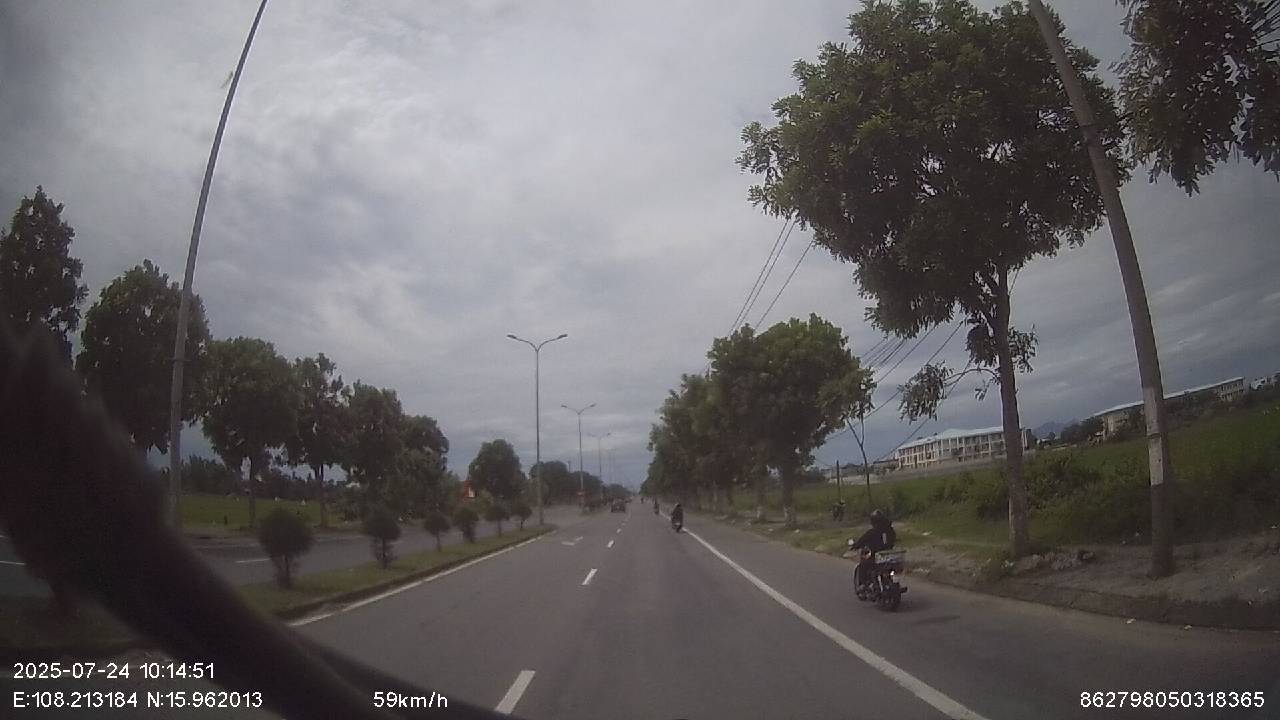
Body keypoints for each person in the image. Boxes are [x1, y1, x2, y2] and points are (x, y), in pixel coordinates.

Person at [850, 509, 896, 592]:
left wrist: (855, 546)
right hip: (888, 557)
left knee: (863, 564)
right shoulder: (890, 531)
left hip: (876, 557)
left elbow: (861, 541)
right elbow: (892, 541)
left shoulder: (872, 532)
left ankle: (863, 584)